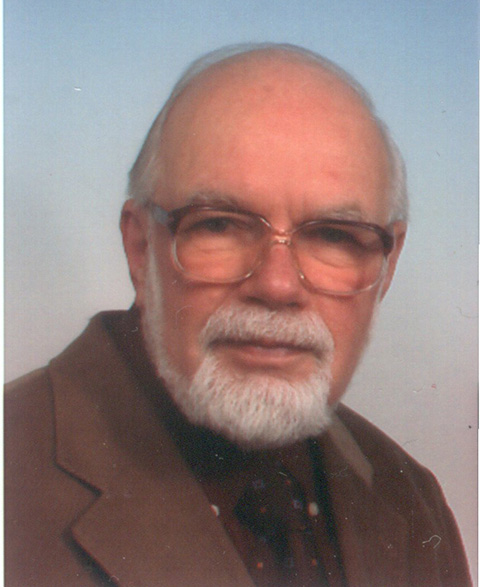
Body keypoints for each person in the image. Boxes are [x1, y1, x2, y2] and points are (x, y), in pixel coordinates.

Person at [5, 43, 471, 586]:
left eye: (332, 236)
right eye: (220, 224)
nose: (277, 285)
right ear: (140, 248)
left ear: (386, 268)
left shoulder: (410, 500)